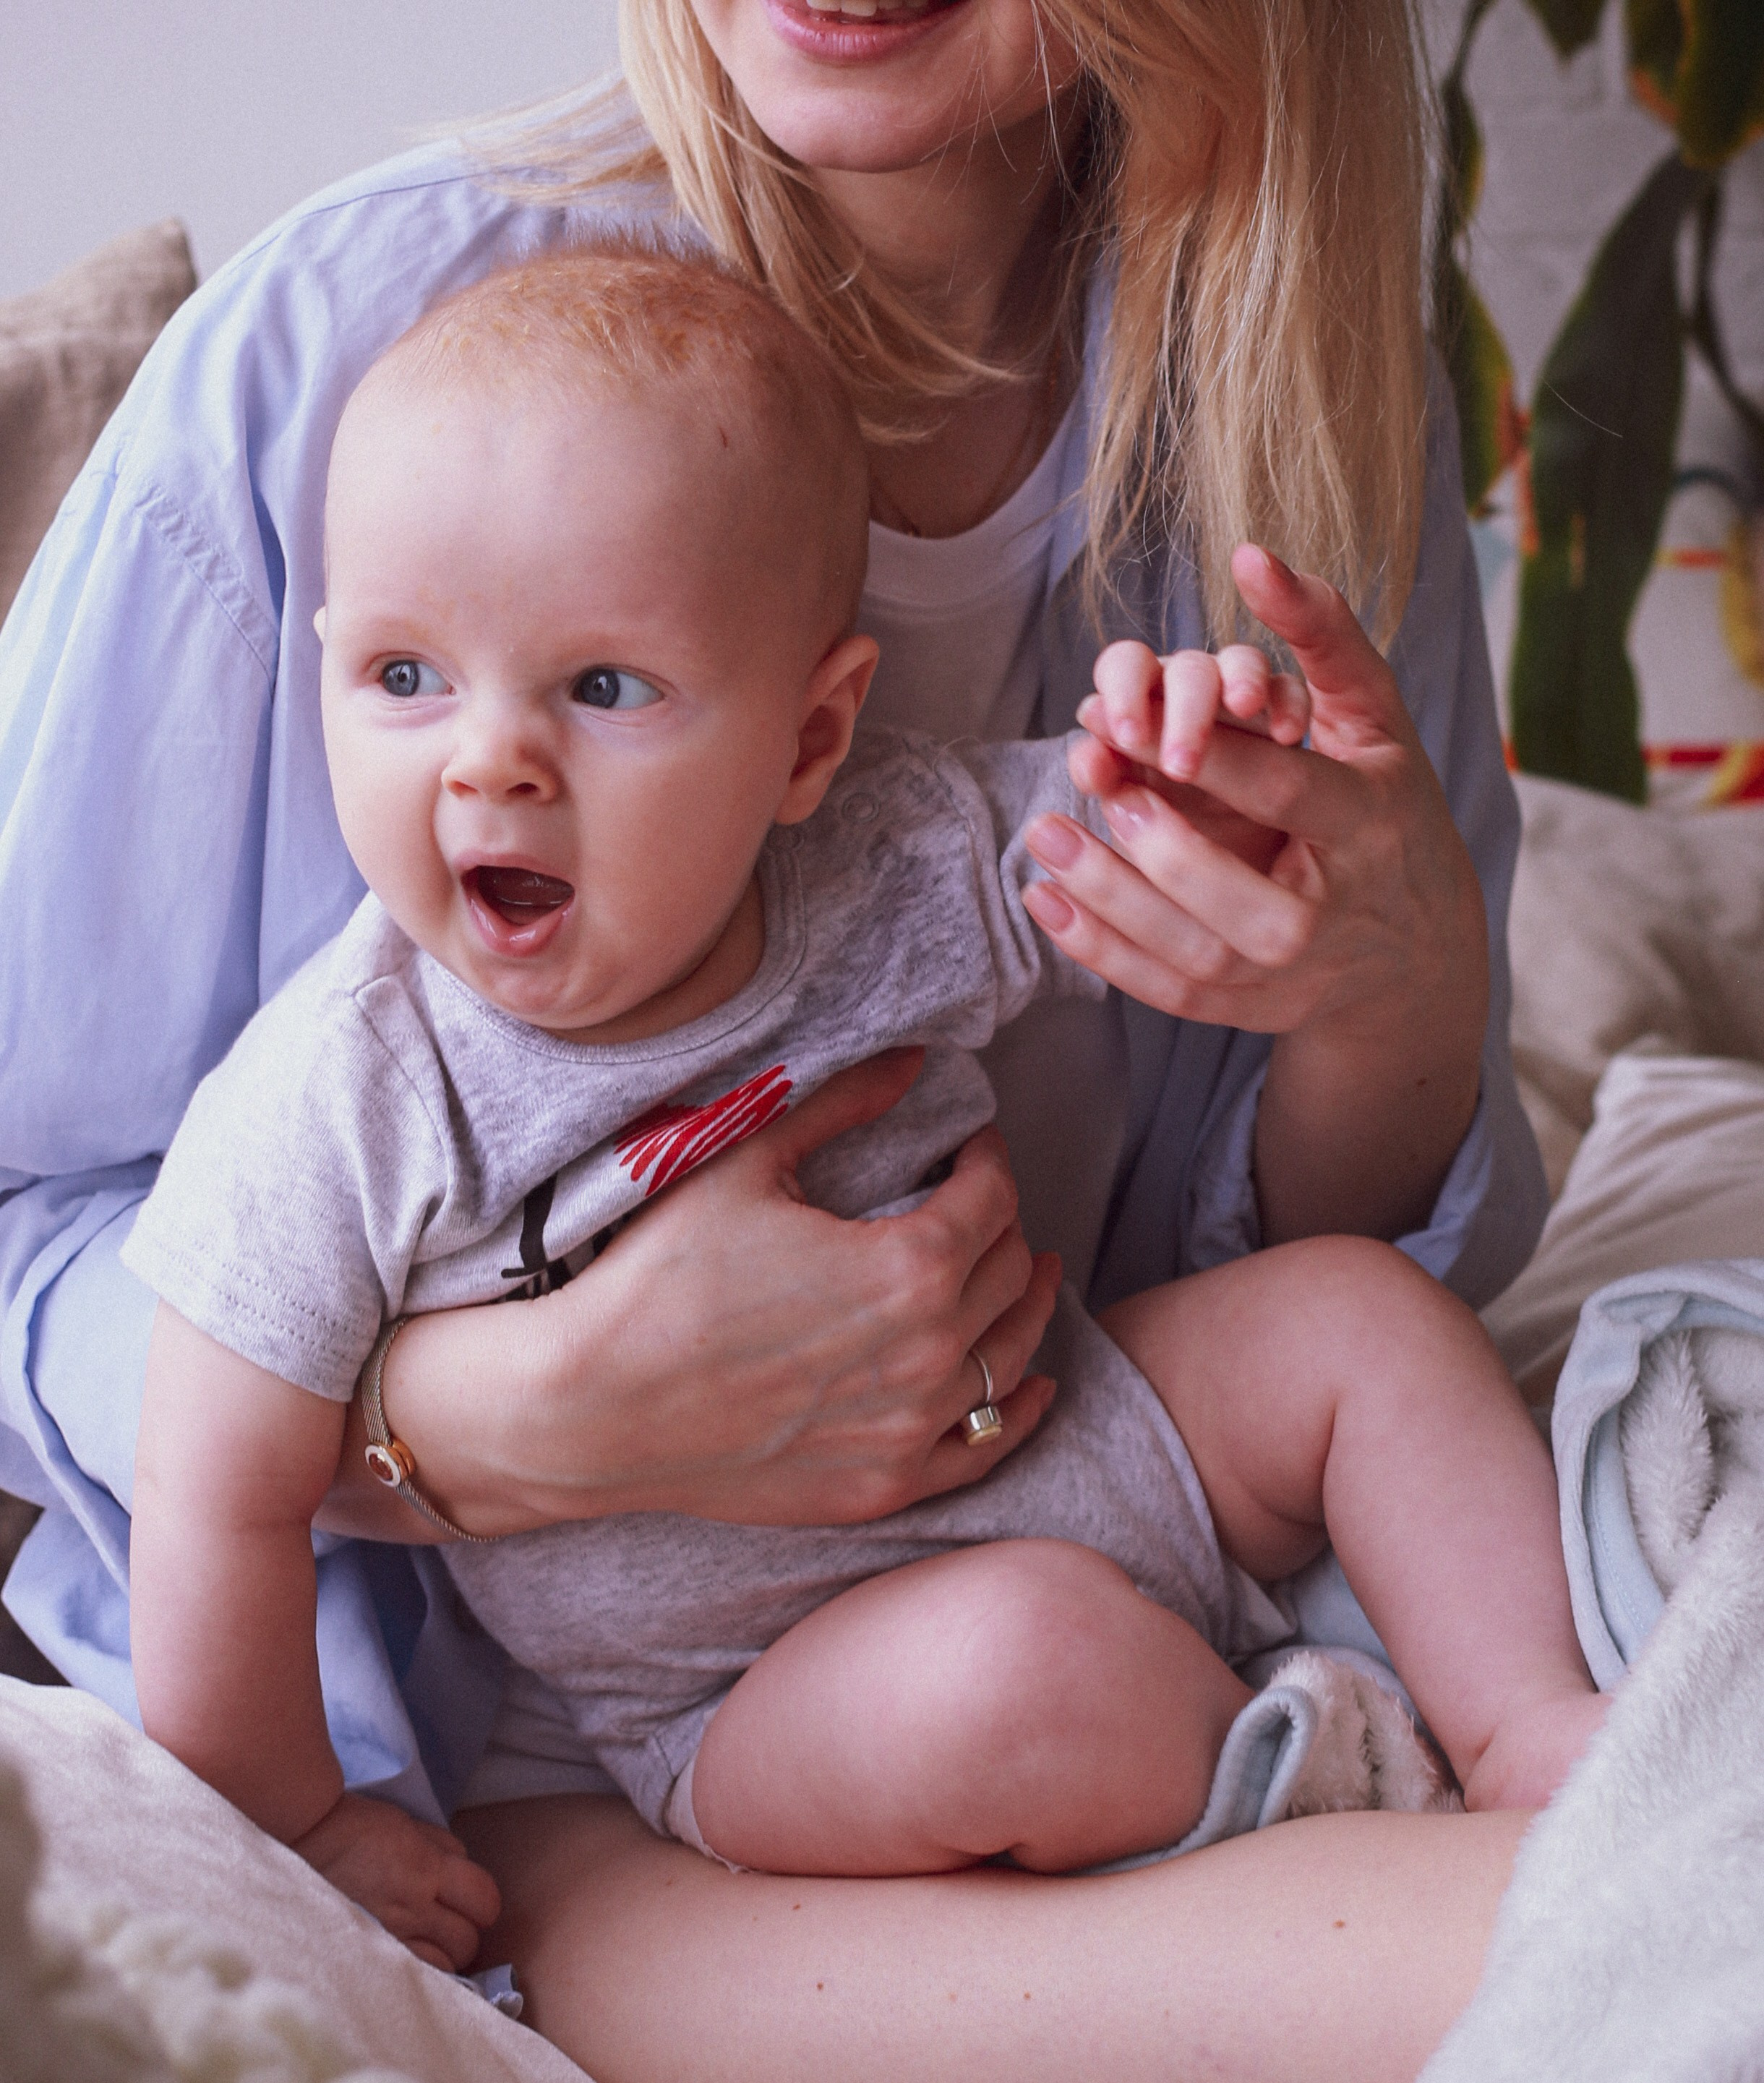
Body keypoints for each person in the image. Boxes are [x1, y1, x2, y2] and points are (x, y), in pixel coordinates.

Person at [0, 0, 1551, 2071]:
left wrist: (1365, 955)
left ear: (817, 736)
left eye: (606, 691)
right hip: (622, 1743)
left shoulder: (1277, 407)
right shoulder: (357, 1032)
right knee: (1127, 1726)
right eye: (401, 681)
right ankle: (1295, 1773)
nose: (491, 766)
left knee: (1365, 1336)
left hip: (1078, 1434)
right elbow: (114, 1332)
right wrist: (493, 1429)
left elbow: (1109, 868)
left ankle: (1538, 1735)